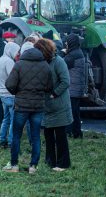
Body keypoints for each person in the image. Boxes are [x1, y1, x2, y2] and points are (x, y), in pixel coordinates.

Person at [3, 43, 53, 174]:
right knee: (36, 136)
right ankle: (33, 166)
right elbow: (49, 87)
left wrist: (17, 93)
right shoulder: (45, 66)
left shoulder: (19, 65)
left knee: (16, 136)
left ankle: (14, 165)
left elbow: (9, 84)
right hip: (38, 107)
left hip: (21, 106)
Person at [35, 39, 73, 172]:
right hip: (47, 106)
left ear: (44, 51)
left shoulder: (58, 62)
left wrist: (54, 94)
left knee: (60, 136)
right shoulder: (42, 62)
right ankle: (50, 160)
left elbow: (65, 81)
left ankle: (63, 163)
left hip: (59, 105)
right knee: (48, 135)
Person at [0, 42, 20, 149]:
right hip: (10, 94)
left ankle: (2, 140)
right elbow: (13, 79)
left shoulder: (0, 60)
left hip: (2, 93)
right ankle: (11, 142)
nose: (18, 54)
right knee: (13, 120)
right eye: (17, 52)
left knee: (6, 118)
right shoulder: (9, 62)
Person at [64, 34, 85, 139]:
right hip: (77, 88)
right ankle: (77, 132)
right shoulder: (78, 52)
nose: (66, 44)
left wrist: (62, 52)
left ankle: (69, 132)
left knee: (70, 112)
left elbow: (62, 64)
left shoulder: (72, 55)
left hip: (72, 88)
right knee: (75, 112)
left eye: (67, 42)